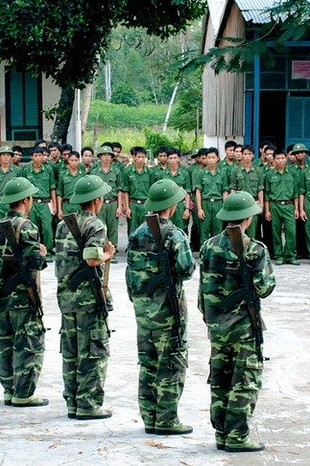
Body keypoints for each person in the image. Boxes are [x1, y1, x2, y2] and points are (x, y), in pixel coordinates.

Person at [199, 191, 276, 453]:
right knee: (244, 380)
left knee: (220, 378)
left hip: (217, 327)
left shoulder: (209, 245)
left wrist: (211, 319)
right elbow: (264, 288)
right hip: (243, 327)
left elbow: (202, 292)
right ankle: (237, 437)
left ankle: (222, 434)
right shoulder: (255, 249)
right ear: (247, 218)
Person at [126, 178, 196, 435]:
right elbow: (186, 270)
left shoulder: (137, 232)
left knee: (148, 364)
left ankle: (150, 418)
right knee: (172, 363)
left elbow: (130, 274)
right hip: (168, 311)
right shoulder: (175, 234)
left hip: (143, 311)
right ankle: (167, 420)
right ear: (172, 205)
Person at [54, 175, 116, 420]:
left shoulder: (63, 224)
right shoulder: (96, 224)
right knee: (93, 352)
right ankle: (88, 406)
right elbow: (91, 258)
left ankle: (72, 402)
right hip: (89, 299)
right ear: (97, 200)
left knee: (71, 352)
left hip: (67, 297)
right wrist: (108, 254)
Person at [0, 177, 50, 408]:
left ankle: (9, 390)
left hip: (1, 294)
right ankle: (24, 394)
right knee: (28, 343)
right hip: (24, 298)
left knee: (4, 342)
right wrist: (42, 254)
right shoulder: (26, 227)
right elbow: (35, 261)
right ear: (25, 199)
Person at [264, 149, 301, 265]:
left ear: (286, 159)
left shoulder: (293, 173)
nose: (280, 161)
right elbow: (267, 194)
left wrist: (296, 208)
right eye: (278, 158)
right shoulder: (270, 174)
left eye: (282, 158)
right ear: (274, 160)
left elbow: (296, 193)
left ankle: (290, 255)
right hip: (275, 205)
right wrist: (267, 210)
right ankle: (279, 255)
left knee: (291, 232)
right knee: (276, 231)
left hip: (289, 205)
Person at [20, 146, 56, 254]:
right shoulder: (26, 170)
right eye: (35, 155)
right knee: (33, 227)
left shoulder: (48, 169)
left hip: (46, 202)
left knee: (47, 228)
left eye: (40, 155)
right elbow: (23, 188)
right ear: (31, 157)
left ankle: (48, 251)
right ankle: (35, 250)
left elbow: (52, 187)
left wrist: (54, 204)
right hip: (32, 202)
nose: (38, 158)